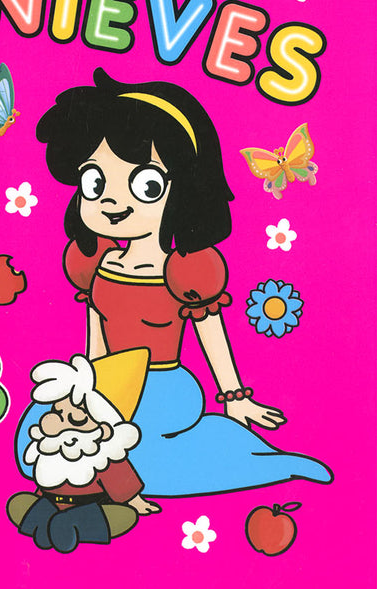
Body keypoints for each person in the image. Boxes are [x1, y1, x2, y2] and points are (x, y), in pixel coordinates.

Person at [27, 68, 331, 496]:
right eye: (95, 181)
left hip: (163, 387)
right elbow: (96, 336)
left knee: (145, 465)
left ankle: (274, 463)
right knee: (40, 442)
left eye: (145, 184)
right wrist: (88, 388)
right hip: (106, 383)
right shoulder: (95, 261)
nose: (111, 199)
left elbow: (210, 330)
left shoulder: (185, 271)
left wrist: (234, 397)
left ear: (183, 188)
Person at [8, 350, 158, 552]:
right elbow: (44, 482)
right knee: (18, 502)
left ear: (104, 428)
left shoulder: (103, 456)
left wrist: (136, 502)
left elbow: (124, 487)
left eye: (75, 418)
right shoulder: (49, 451)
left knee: (125, 516)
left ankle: (64, 525)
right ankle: (52, 523)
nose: (60, 422)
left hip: (89, 508)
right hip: (50, 503)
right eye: (58, 412)